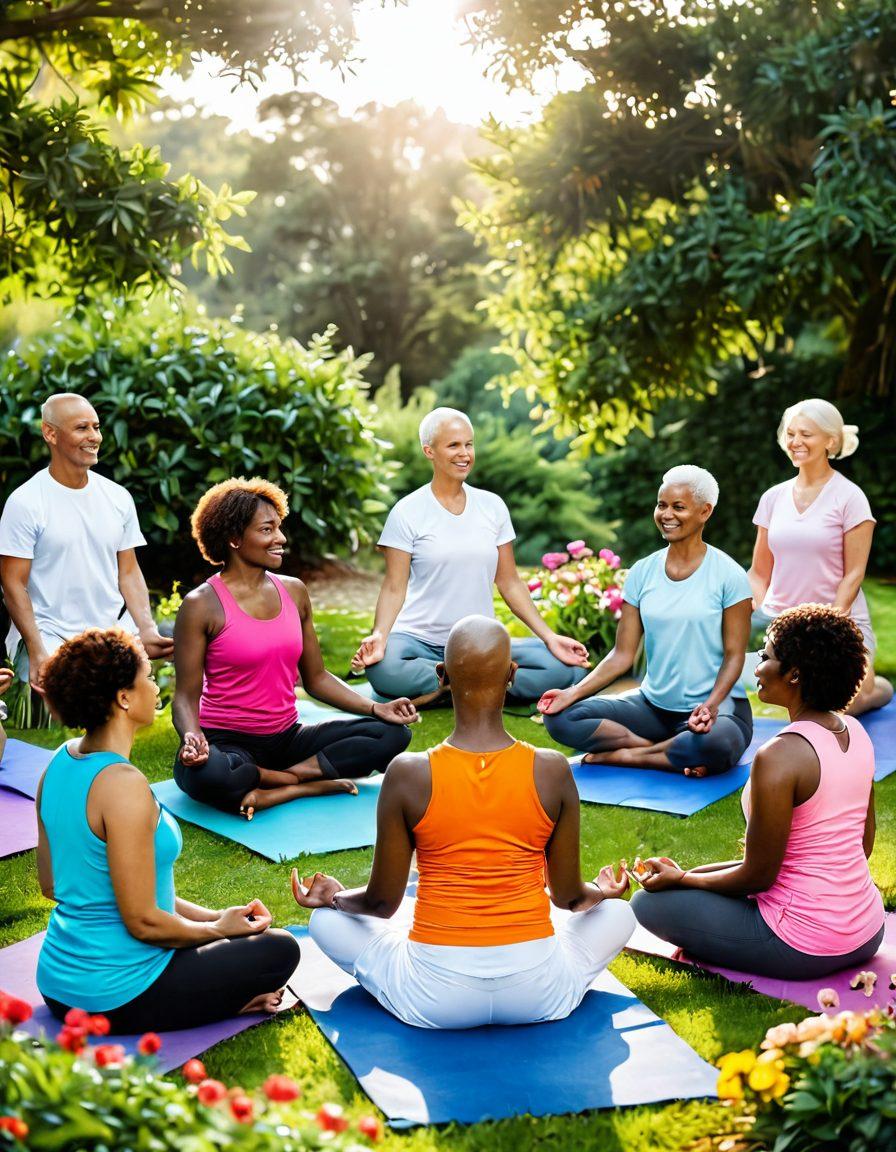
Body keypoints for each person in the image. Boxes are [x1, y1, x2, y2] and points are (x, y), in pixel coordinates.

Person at [292, 614, 635, 1030]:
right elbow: (568, 899)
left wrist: (335, 898)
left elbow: (382, 904)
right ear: (512, 674)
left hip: (435, 998)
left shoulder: (407, 772)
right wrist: (601, 891)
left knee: (324, 922)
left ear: (441, 675)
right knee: (620, 915)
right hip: (537, 991)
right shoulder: (552, 769)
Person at [35, 628, 301, 1032]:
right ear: (123, 697)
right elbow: (143, 922)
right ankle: (227, 1002)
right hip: (116, 996)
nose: (156, 683)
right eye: (147, 675)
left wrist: (217, 918)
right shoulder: (122, 785)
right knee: (281, 949)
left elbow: (53, 884)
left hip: (56, 985)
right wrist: (215, 931)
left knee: (241, 942)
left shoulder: (58, 761)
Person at [631, 605, 885, 979]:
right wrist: (688, 875)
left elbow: (758, 877)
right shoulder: (857, 734)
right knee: (684, 888)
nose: (757, 668)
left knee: (646, 904)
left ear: (795, 674)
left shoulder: (779, 756)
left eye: (766, 657)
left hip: (804, 945)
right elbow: (861, 847)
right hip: (867, 931)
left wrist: (682, 882)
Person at [173, 478, 417, 819]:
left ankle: (282, 782)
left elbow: (315, 678)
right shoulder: (201, 604)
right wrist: (192, 737)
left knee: (392, 735)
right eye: (267, 529)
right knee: (207, 773)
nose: (281, 539)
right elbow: (185, 695)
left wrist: (377, 710)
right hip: (228, 743)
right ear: (234, 539)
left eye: (279, 527)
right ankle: (305, 785)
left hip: (288, 739)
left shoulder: (295, 592)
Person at [350, 407, 589, 704]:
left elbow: (510, 582)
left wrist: (550, 637)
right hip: (418, 641)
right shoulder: (407, 511)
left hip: (480, 642)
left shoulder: (493, 506)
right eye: (453, 445)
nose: (464, 453)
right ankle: (485, 687)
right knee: (385, 670)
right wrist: (380, 636)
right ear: (429, 451)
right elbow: (394, 586)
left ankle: (447, 689)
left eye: (468, 444)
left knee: (562, 666)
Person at [540, 466, 753, 777]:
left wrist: (710, 706)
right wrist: (572, 693)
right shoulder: (642, 571)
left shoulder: (729, 575)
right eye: (662, 505)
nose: (666, 514)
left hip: (717, 710)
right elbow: (622, 655)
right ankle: (663, 752)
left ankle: (627, 756)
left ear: (705, 511)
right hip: (653, 709)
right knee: (561, 718)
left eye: (678, 507)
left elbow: (735, 656)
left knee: (716, 746)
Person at [0, 393, 173, 693]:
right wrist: (37, 648)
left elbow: (129, 573)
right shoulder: (25, 502)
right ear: (50, 433)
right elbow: (12, 583)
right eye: (82, 428)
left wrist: (146, 629)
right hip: (48, 634)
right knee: (68, 717)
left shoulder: (118, 497)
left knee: (125, 714)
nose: (94, 437)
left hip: (109, 633)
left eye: (96, 427)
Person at [748, 398, 893, 716]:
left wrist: (828, 628)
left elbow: (853, 576)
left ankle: (876, 689)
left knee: (843, 704)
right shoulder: (773, 498)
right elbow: (759, 573)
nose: (795, 442)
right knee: (803, 702)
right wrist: (744, 609)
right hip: (784, 631)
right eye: (791, 433)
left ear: (830, 440)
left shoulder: (850, 497)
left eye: (806, 434)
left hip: (840, 626)